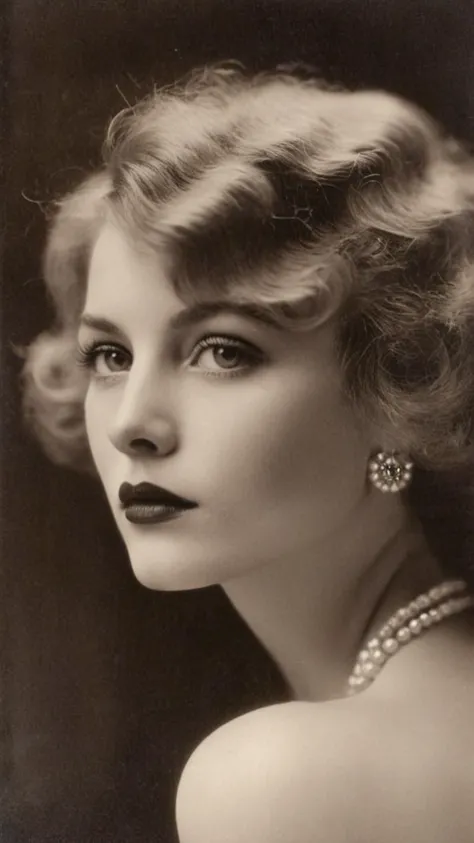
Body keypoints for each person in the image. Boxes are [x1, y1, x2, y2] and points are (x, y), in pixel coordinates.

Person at [19, 61, 474, 842]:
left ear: (402, 384)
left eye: (223, 352)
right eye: (110, 356)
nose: (134, 423)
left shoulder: (277, 783)